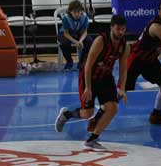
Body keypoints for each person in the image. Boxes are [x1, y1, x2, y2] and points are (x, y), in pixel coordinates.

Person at [55, 15, 130, 151]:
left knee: (113, 108)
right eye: (118, 29)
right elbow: (88, 65)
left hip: (106, 77)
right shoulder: (101, 40)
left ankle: (92, 140)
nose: (120, 32)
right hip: (88, 76)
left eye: (123, 29)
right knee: (86, 114)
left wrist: (122, 88)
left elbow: (124, 68)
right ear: (111, 27)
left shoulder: (125, 46)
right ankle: (67, 114)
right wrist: (88, 87)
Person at [58, 0, 92, 70]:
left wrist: (81, 41)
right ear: (70, 11)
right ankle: (69, 61)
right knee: (63, 43)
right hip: (67, 33)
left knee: (89, 40)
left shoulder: (84, 17)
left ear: (81, 11)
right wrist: (75, 41)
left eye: (79, 12)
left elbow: (85, 32)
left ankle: (82, 62)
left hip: (78, 32)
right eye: (74, 12)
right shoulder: (66, 18)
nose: (77, 14)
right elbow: (66, 34)